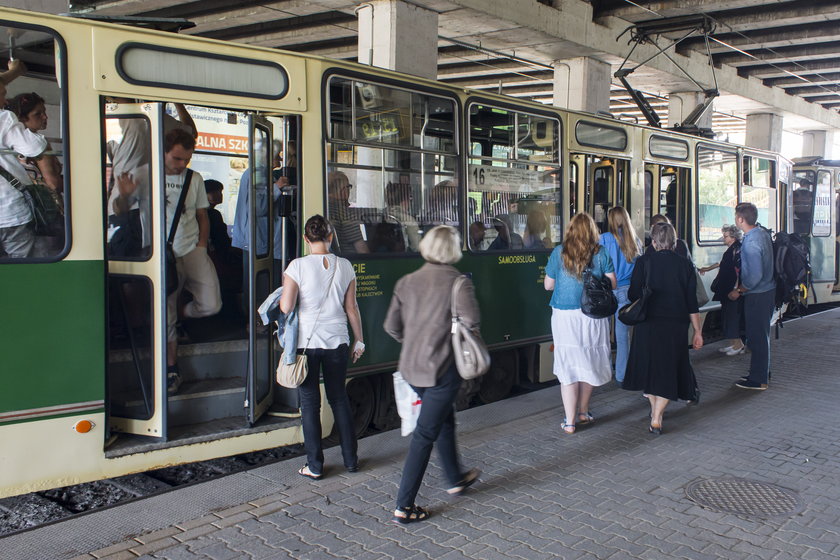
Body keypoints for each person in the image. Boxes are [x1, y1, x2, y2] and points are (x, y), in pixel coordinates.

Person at [384, 225, 481, 524]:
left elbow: (392, 326)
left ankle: (455, 477)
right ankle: (404, 506)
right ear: (452, 249)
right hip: (441, 371)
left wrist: (413, 340)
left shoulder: (406, 281)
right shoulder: (457, 283)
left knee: (443, 419)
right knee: (425, 434)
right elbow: (473, 320)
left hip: (412, 369)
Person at [279, 215, 365, 479]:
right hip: (337, 341)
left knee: (309, 404)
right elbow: (351, 308)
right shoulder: (345, 265)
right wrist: (359, 340)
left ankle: (315, 466)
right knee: (339, 399)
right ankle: (351, 461)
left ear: (306, 239)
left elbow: (286, 307)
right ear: (330, 237)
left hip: (306, 344)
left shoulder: (297, 266)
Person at [622, 222, 703, 434]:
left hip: (647, 324)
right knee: (668, 372)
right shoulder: (685, 265)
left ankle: (655, 412)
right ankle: (657, 417)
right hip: (675, 326)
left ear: (654, 241)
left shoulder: (643, 261)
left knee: (650, 372)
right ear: (675, 242)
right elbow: (691, 303)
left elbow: (632, 295)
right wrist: (698, 332)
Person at [160, 128, 222, 393]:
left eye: (186, 159)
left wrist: (201, 245)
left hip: (192, 249)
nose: (181, 165)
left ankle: (184, 315)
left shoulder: (193, 178)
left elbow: (202, 216)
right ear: (163, 152)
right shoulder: (148, 173)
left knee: (212, 304)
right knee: (165, 316)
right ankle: (172, 368)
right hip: (162, 254)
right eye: (176, 159)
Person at [544, 212, 616, 434]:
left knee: (568, 368)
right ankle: (584, 412)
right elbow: (612, 284)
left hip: (565, 317)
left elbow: (548, 285)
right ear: (593, 232)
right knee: (589, 362)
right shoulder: (600, 252)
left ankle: (570, 421)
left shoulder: (559, 252)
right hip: (592, 315)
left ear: (570, 231)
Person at [0, 80, 48, 258]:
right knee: (22, 270)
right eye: (3, 94)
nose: (5, 101)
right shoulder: (4, 118)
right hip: (10, 212)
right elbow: (34, 147)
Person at [730, 202, 775, 390]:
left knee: (757, 337)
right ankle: (762, 371)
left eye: (736, 216)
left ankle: (759, 380)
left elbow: (755, 275)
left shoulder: (751, 242)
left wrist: (739, 290)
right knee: (761, 335)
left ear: (741, 219)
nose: (735, 219)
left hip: (757, 295)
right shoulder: (762, 233)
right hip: (767, 291)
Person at [599, 206, 642, 384]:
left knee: (603, 334)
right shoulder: (635, 241)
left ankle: (605, 372)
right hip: (626, 290)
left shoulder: (603, 239)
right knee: (622, 336)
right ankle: (622, 374)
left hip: (607, 290)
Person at [699, 224, 743, 356]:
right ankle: (733, 344)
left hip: (731, 289)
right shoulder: (731, 249)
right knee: (728, 316)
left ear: (733, 237)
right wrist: (706, 269)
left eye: (726, 236)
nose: (723, 238)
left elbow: (739, 271)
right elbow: (721, 263)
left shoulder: (737, 250)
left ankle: (738, 345)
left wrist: (736, 289)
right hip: (726, 288)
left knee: (732, 317)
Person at [8, 92, 62, 193]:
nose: (45, 117)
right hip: (47, 203)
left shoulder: (11, 143)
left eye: (44, 112)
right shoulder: (38, 144)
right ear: (22, 118)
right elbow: (53, 184)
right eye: (38, 114)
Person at [327, 171, 369, 254]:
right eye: (348, 187)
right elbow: (362, 251)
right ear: (343, 191)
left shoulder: (324, 210)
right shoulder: (345, 215)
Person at [383, 182, 420, 252]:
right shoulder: (407, 219)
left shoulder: (381, 215)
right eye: (410, 197)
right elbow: (417, 247)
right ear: (406, 199)